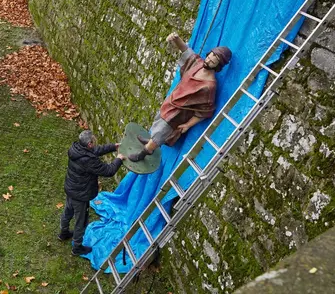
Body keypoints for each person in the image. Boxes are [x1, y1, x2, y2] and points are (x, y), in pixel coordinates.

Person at [128, 33, 231, 162]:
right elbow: (186, 51)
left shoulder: (209, 86)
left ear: (218, 65)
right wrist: (176, 39)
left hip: (177, 113)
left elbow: (205, 111)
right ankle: (151, 141)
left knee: (162, 130)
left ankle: (145, 152)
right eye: (211, 55)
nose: (209, 59)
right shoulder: (197, 64)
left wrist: (188, 124)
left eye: (214, 59)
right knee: (158, 122)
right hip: (170, 103)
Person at [60, 130, 126, 256]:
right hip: (81, 195)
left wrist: (114, 147)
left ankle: (63, 233)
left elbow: (95, 151)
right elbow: (108, 171)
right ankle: (77, 247)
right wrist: (118, 159)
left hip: (71, 189)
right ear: (89, 144)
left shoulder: (76, 149)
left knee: (68, 211)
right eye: (93, 141)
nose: (95, 143)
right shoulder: (89, 161)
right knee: (81, 221)